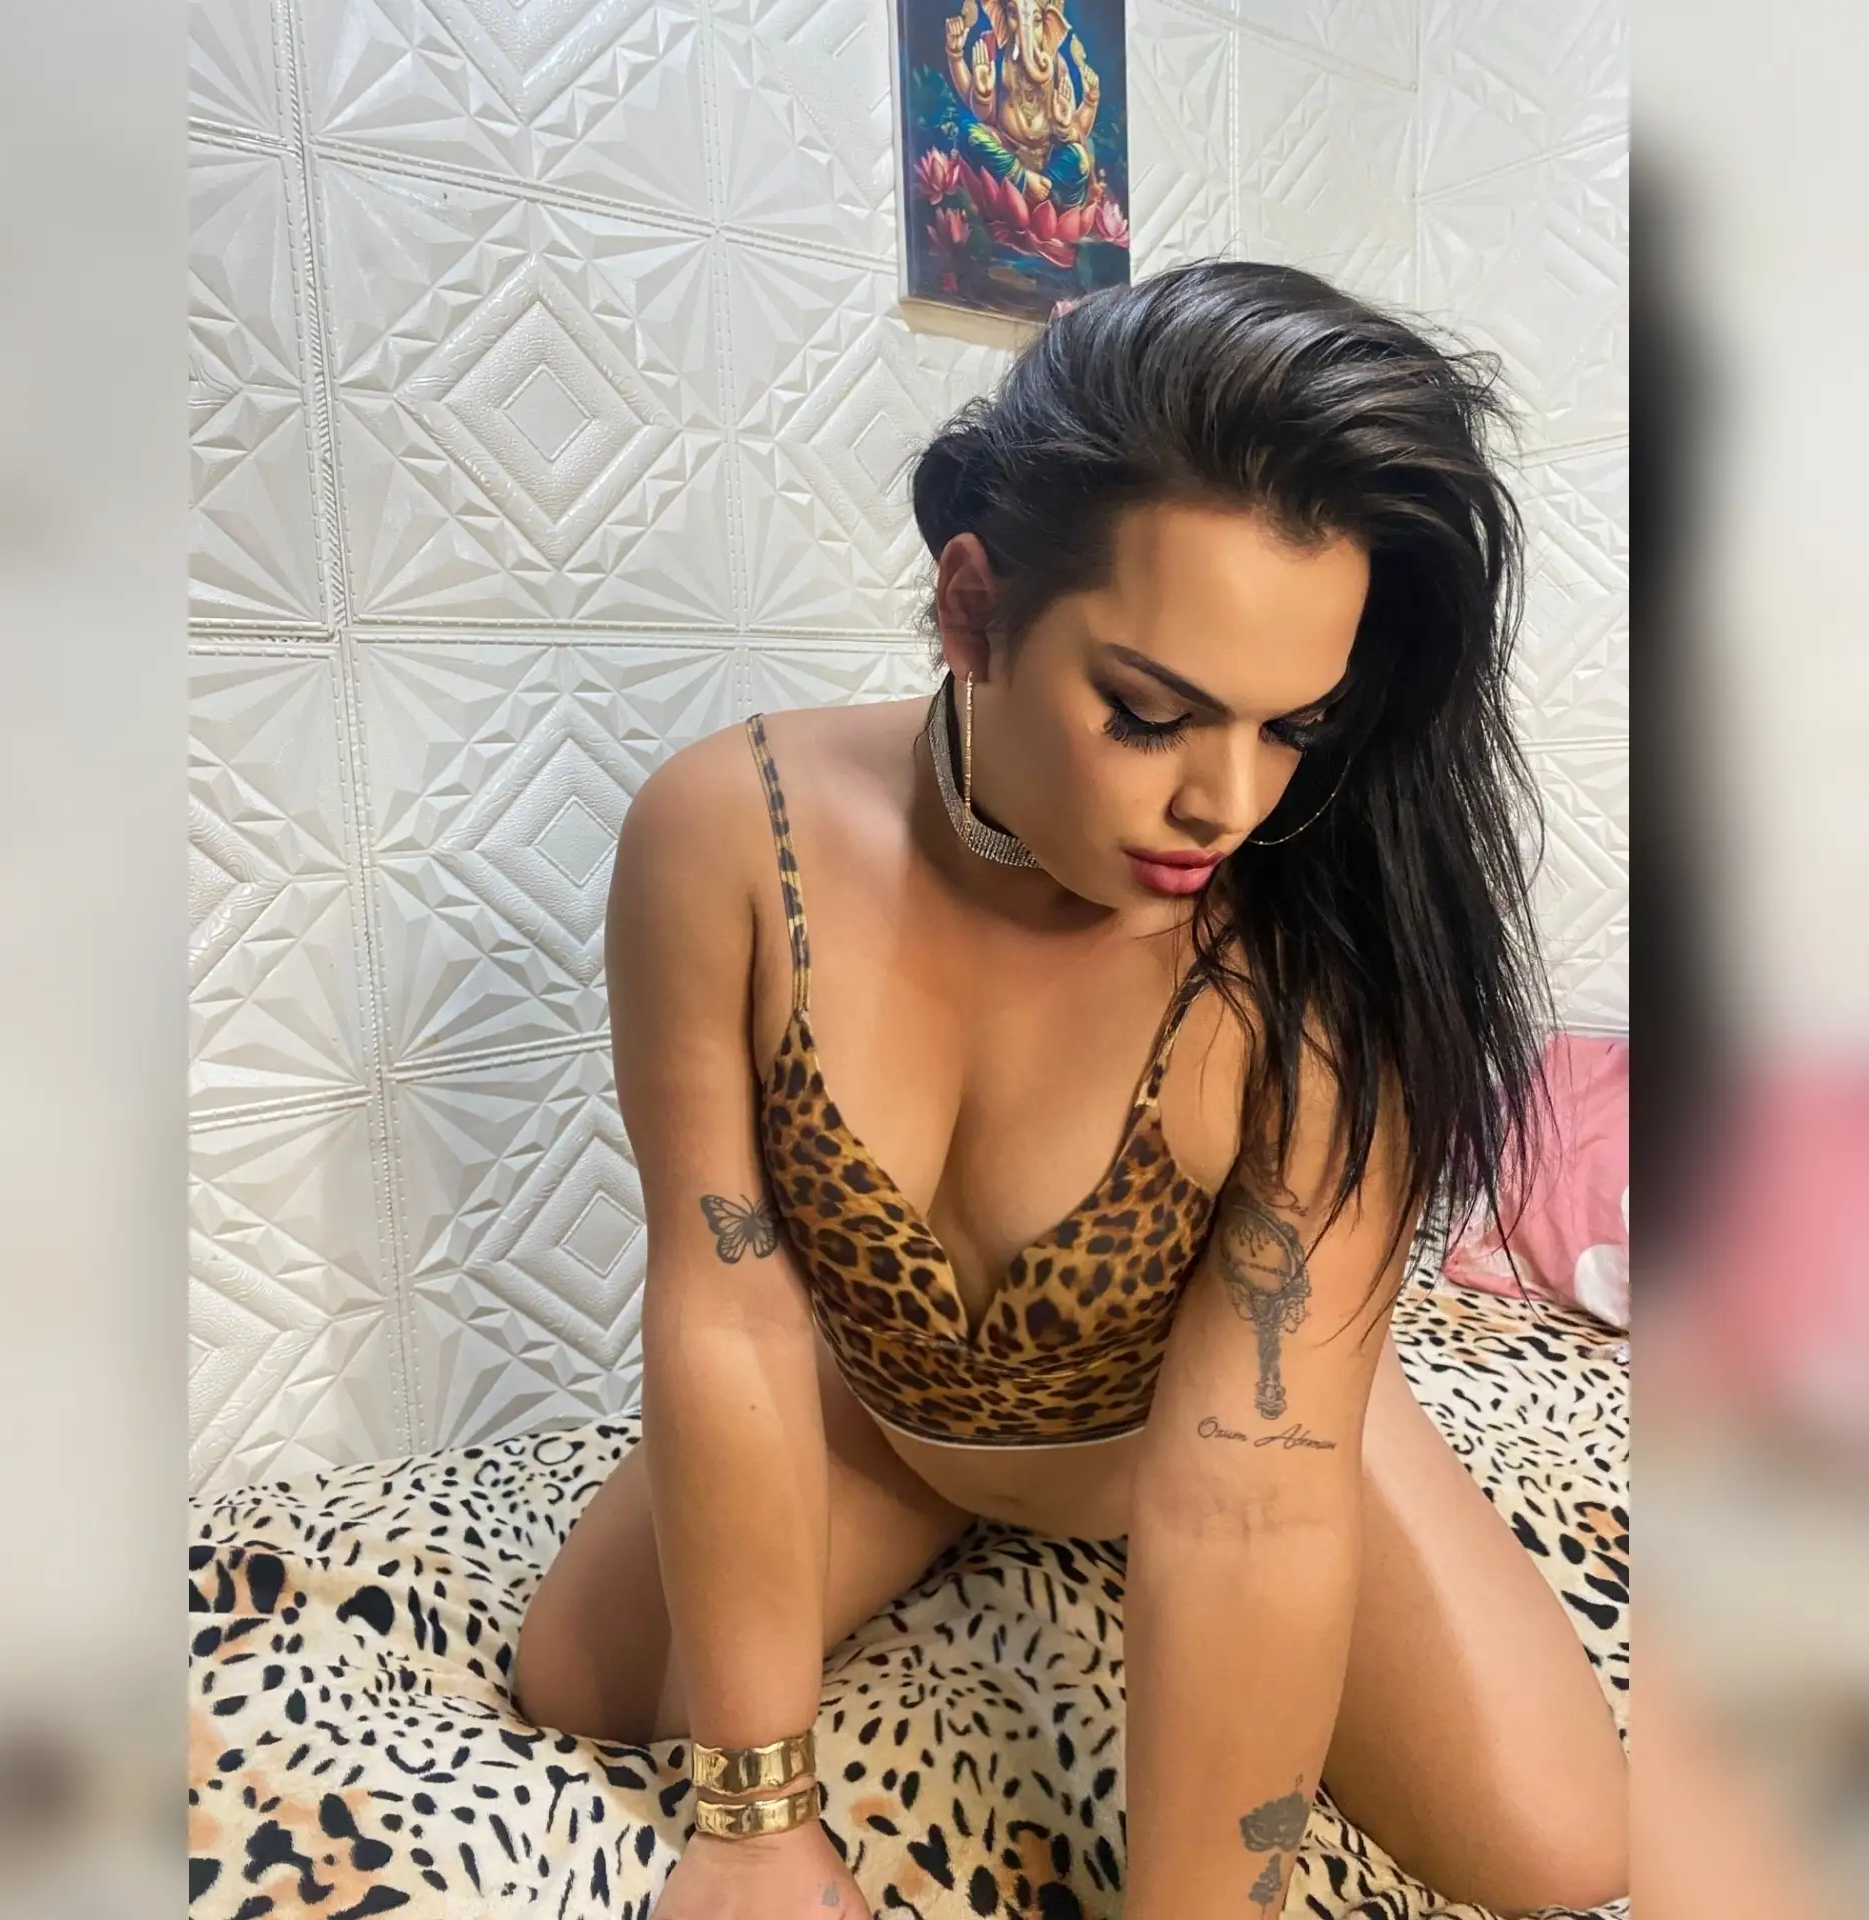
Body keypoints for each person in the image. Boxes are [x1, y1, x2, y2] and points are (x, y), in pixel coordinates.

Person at [512, 260, 1629, 1918]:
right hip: (895, 1418)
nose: (1227, 803)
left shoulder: (1317, 958)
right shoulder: (727, 838)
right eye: (1151, 713)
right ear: (973, 609)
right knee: (580, 1685)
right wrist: (753, 1826)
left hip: (1219, 1431)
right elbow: (727, 1304)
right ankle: (952, 1516)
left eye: (1294, 727)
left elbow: (1248, 1494)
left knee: (1555, 1848)